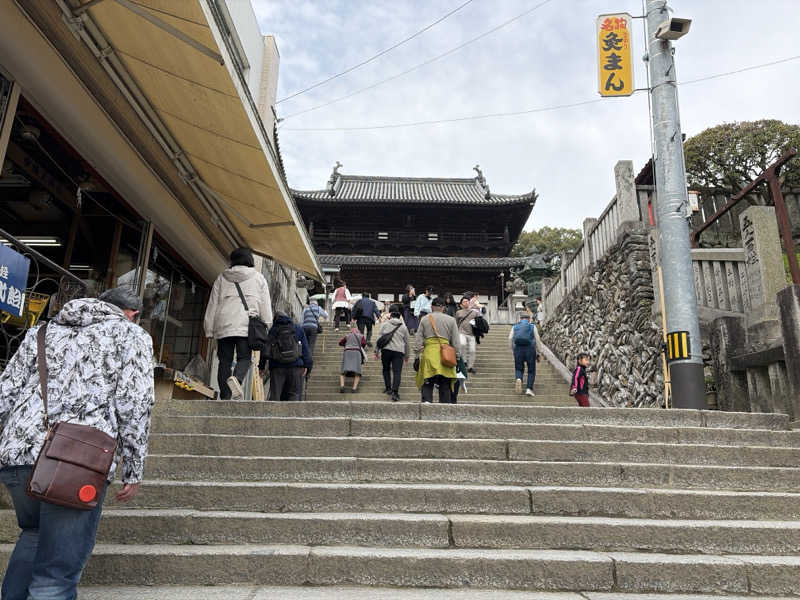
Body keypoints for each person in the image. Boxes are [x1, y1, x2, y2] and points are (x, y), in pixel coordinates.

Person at [0, 287, 155, 600]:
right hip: (77, 461)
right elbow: (134, 402)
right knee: (55, 578)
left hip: (18, 454)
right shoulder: (132, 336)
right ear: (131, 314)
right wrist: (134, 467)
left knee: (33, 534)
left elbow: (6, 391)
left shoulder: (40, 332)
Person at [203, 247, 272, 400]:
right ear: (250, 260)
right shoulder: (258, 278)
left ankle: (225, 396)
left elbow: (212, 304)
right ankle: (237, 379)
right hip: (246, 325)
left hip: (223, 324)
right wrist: (267, 323)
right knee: (244, 358)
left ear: (232, 261)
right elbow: (265, 304)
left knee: (224, 361)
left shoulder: (222, 278)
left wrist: (209, 328)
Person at [413, 297, 461, 404]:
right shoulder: (451, 320)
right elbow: (456, 342)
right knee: (445, 384)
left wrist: (417, 356)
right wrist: (457, 357)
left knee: (427, 381)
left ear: (431, 307)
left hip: (429, 354)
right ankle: (444, 409)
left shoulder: (425, 319)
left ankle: (426, 404)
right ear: (444, 307)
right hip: (446, 355)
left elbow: (418, 340)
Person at [267, 311, 313, 402]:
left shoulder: (273, 329)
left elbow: (266, 349)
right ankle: (292, 415)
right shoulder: (298, 328)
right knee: (294, 394)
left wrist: (261, 366)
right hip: (295, 367)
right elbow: (305, 349)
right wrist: (308, 367)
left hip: (277, 367)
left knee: (275, 395)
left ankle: (273, 415)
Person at [375, 303, 410, 402]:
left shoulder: (385, 324)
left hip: (386, 350)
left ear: (390, 315)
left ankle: (388, 388)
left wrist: (376, 351)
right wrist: (407, 355)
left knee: (386, 369)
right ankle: (395, 392)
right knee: (397, 372)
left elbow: (379, 338)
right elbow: (407, 342)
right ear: (399, 316)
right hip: (398, 352)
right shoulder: (403, 327)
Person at [509, 312, 539, 396]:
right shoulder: (532, 326)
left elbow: (510, 338)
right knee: (531, 370)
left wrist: (512, 349)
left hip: (518, 349)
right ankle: (529, 389)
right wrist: (539, 352)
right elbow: (537, 340)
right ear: (529, 319)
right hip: (530, 349)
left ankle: (519, 379)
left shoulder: (515, 326)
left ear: (520, 319)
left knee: (519, 368)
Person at [455, 293, 482, 374]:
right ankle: (464, 361)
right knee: (462, 344)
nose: (466, 303)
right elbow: (456, 323)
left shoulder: (474, 313)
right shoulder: (458, 312)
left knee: (472, 350)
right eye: (464, 302)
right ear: (461, 304)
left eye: (467, 301)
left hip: (471, 334)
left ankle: (470, 367)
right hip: (461, 332)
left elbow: (480, 321)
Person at [339, 325, 366, 393]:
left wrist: (347, 344)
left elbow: (340, 343)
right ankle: (354, 388)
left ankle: (342, 386)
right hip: (357, 352)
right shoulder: (361, 336)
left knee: (343, 370)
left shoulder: (347, 336)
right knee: (357, 371)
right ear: (358, 332)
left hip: (347, 352)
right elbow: (364, 343)